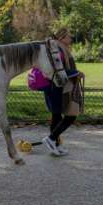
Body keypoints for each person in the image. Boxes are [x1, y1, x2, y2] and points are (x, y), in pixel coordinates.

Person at [38, 28, 83, 156]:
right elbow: (56, 70)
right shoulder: (56, 49)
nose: (71, 39)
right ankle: (51, 139)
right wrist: (75, 73)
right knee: (70, 115)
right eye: (69, 36)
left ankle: (55, 144)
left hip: (58, 86)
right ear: (62, 37)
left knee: (57, 116)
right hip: (55, 87)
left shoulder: (59, 47)